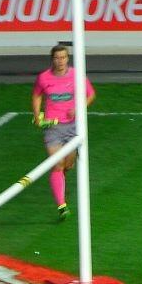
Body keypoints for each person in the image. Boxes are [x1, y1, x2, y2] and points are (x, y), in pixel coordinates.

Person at [31, 42, 95, 221]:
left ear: (68, 59)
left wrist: (79, 107)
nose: (60, 61)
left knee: (68, 164)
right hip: (54, 127)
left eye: (63, 57)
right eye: (57, 58)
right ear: (52, 60)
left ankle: (60, 177)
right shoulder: (44, 78)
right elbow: (36, 95)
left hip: (73, 126)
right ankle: (61, 205)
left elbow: (90, 94)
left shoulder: (76, 75)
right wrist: (37, 115)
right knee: (57, 164)